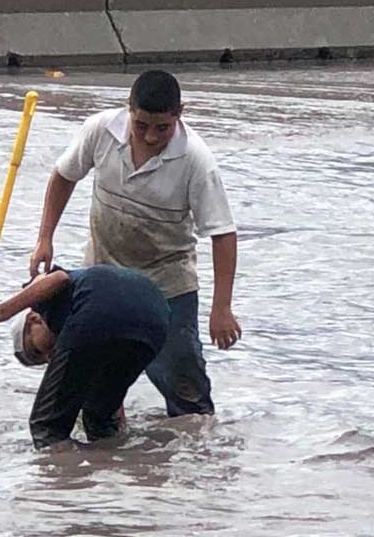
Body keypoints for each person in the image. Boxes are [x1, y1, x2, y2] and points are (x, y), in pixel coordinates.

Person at [29, 70, 241, 417]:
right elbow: (64, 176)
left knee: (185, 390)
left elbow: (223, 233)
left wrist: (222, 308)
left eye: (162, 128)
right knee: (96, 386)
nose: (150, 136)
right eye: (141, 125)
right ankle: (110, 457)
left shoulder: (196, 161)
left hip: (167, 286)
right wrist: (44, 238)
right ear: (129, 109)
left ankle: (198, 461)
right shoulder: (100, 131)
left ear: (179, 114)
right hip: (104, 278)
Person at [0, 264, 170, 449]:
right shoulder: (78, 328)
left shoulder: (41, 303)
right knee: (99, 417)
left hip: (98, 307)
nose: (49, 357)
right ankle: (111, 473)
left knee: (46, 425)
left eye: (37, 351)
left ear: (33, 320)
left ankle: (63, 481)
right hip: (156, 321)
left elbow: (60, 278)